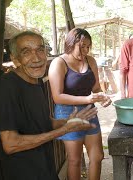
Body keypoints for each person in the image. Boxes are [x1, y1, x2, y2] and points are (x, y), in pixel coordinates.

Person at [0, 31, 98, 180]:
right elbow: (11, 144)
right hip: (22, 173)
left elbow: (42, 122)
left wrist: (68, 122)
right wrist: (63, 130)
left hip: (44, 168)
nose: (36, 58)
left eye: (40, 50)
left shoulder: (36, 81)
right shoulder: (6, 88)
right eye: (26, 52)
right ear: (15, 59)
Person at [48, 28, 111, 180]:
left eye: (88, 46)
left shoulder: (90, 61)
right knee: (74, 160)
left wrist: (102, 96)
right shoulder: (59, 63)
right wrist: (86, 99)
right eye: (82, 46)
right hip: (68, 114)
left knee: (97, 156)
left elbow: (95, 88)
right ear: (71, 43)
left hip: (89, 111)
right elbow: (57, 97)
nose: (85, 50)